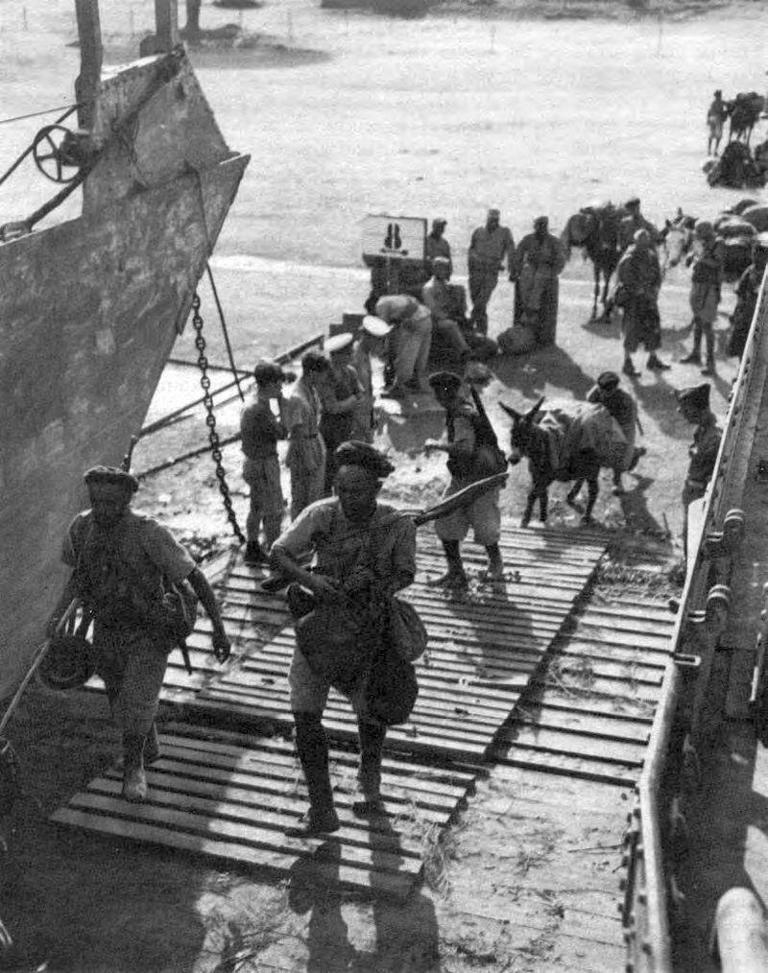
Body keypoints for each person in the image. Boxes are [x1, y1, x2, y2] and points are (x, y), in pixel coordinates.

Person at [47, 466, 231, 802]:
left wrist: (218, 629)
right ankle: (149, 745)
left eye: (112, 503)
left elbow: (195, 577)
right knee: (118, 694)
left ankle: (133, 769)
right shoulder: (82, 527)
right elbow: (77, 577)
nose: (104, 509)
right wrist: (58, 616)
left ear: (127, 501)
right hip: (107, 626)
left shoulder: (149, 532)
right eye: (97, 501)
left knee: (137, 697)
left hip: (150, 628)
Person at [270, 442, 417, 835]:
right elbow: (279, 553)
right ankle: (322, 811)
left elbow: (406, 573)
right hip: (318, 625)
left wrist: (374, 581)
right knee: (304, 709)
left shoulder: (397, 524)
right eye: (342, 490)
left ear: (376, 490)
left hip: (369, 628)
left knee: (369, 708)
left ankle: (370, 784)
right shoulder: (321, 515)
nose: (349, 498)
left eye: (359, 491)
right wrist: (312, 579)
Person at [424, 371, 504, 589]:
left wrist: (436, 445)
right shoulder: (462, 409)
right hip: (464, 477)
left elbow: (464, 448)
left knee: (485, 525)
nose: (438, 397)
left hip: (480, 480)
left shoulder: (461, 415)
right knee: (446, 519)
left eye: (439, 393)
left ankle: (496, 566)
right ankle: (455, 571)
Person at [240, 361, 291, 566]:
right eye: (278, 385)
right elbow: (282, 432)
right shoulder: (261, 409)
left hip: (251, 462)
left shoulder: (251, 402)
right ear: (269, 384)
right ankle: (275, 553)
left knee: (256, 507)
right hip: (263, 464)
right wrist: (282, 406)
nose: (280, 389)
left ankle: (252, 546)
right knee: (274, 511)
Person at [676, 383, 722, 560]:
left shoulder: (715, 437)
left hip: (701, 495)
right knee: (689, 539)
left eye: (687, 411)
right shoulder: (703, 428)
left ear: (701, 410)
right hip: (693, 491)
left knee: (695, 543)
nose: (682, 414)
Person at [617, 228, 669, 376]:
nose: (644, 244)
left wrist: (654, 289)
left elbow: (657, 275)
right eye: (642, 241)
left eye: (646, 241)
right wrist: (637, 289)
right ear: (636, 241)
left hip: (649, 299)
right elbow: (624, 278)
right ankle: (627, 363)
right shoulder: (629, 258)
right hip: (634, 302)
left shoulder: (651, 255)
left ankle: (652, 358)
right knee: (631, 331)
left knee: (652, 329)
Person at [285, 350, 330, 520]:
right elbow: (297, 433)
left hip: (314, 441)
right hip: (303, 448)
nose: (325, 377)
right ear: (312, 373)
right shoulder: (297, 397)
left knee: (315, 495)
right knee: (302, 497)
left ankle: (310, 533)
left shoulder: (310, 390)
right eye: (322, 373)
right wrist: (308, 458)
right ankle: (297, 537)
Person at [317, 333, 364, 493]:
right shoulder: (327, 376)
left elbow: (361, 394)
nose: (351, 356)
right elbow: (332, 407)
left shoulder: (350, 372)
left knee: (344, 468)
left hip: (346, 427)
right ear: (337, 355)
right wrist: (352, 401)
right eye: (348, 353)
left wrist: (351, 402)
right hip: (330, 430)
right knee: (328, 471)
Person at [586, 371, 645, 495]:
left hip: (622, 427)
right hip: (602, 425)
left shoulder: (626, 400)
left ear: (615, 389)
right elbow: (588, 408)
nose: (602, 393)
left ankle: (617, 482)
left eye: (606, 392)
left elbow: (627, 423)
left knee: (620, 454)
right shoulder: (596, 392)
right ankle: (636, 452)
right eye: (600, 390)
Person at [681, 220, 725, 376]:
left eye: (699, 231)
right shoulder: (699, 243)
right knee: (698, 321)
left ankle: (711, 363)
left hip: (710, 287)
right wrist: (691, 257)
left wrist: (701, 258)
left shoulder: (718, 244)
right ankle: (695, 353)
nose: (697, 234)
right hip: (697, 284)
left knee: (707, 325)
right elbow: (692, 257)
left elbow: (717, 263)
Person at [514, 216, 566, 347]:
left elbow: (560, 259)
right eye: (538, 226)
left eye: (542, 226)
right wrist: (515, 269)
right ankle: (528, 309)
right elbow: (518, 253)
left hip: (546, 267)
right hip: (530, 266)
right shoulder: (528, 239)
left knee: (540, 279)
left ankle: (531, 310)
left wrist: (555, 272)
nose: (540, 229)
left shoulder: (554, 241)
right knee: (525, 278)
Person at [374, 293, 433, 398]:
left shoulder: (381, 305)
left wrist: (384, 350)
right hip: (427, 318)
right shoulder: (393, 299)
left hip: (414, 321)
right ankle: (415, 383)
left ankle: (398, 388)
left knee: (406, 357)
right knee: (420, 355)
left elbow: (382, 329)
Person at [467, 208, 516, 335]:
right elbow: (471, 249)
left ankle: (469, 324)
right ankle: (481, 333)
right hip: (476, 272)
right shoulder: (478, 231)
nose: (493, 221)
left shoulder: (504, 232)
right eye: (491, 219)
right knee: (479, 304)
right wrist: (471, 268)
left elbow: (511, 251)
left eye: (496, 219)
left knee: (481, 302)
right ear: (487, 218)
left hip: (491, 272)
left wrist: (512, 271)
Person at [421, 257, 472, 366]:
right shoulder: (429, 288)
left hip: (450, 316)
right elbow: (433, 311)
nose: (444, 271)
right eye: (440, 269)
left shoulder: (447, 286)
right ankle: (464, 351)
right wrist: (451, 316)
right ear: (434, 270)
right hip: (436, 320)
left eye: (445, 269)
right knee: (450, 325)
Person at [350, 314, 392, 443]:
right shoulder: (356, 361)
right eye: (380, 340)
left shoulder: (362, 352)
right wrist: (366, 431)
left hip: (363, 416)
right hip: (356, 422)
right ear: (368, 338)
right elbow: (356, 399)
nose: (383, 345)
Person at [729, 233, 768, 359]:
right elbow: (740, 292)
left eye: (759, 254)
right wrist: (737, 312)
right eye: (754, 253)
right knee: (743, 345)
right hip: (747, 314)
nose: (755, 257)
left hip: (762, 317)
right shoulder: (750, 270)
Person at [707, 90, 729, 156]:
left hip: (712, 119)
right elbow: (728, 105)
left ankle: (709, 150)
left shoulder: (713, 103)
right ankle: (715, 151)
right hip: (718, 120)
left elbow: (709, 112)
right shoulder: (721, 102)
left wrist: (708, 119)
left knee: (711, 135)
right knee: (718, 136)